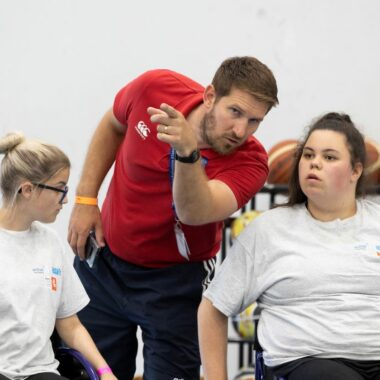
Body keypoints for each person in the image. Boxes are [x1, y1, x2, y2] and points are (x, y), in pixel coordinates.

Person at [67, 56, 279, 380]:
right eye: (235, 112)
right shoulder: (156, 89)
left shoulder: (251, 162)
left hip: (175, 285)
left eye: (254, 121)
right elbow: (113, 124)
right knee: (90, 374)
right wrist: (85, 198)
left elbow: (194, 212)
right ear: (210, 96)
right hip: (105, 264)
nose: (241, 130)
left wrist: (187, 152)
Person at [198, 112, 380, 380]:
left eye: (329, 157)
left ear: (355, 170)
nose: (314, 163)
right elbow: (213, 307)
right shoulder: (269, 229)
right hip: (306, 362)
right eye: (308, 155)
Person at [0, 132, 118, 380]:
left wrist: (105, 371)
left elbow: (70, 324)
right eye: (59, 189)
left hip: (40, 372)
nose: (64, 200)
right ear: (28, 190)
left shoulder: (50, 243)